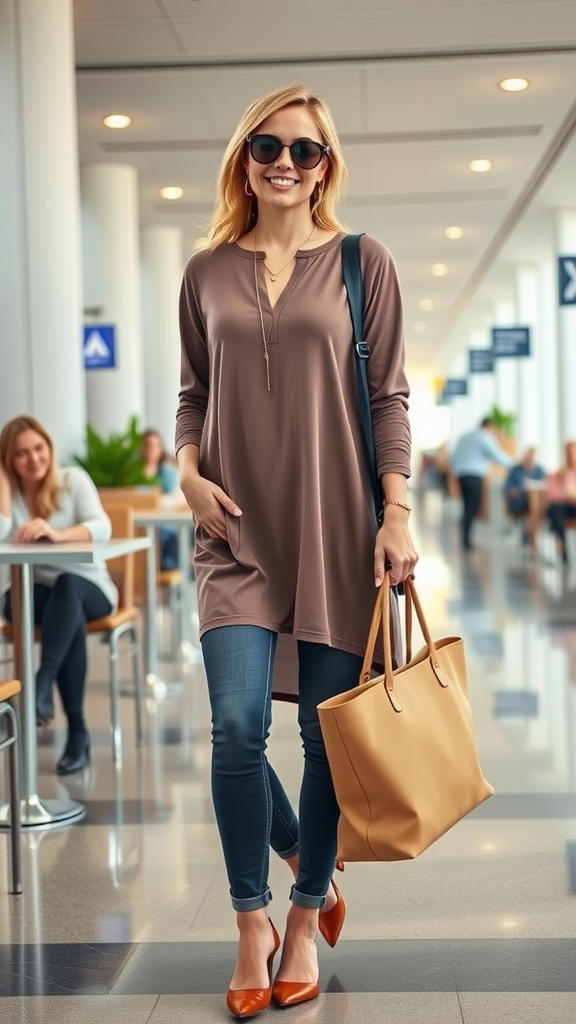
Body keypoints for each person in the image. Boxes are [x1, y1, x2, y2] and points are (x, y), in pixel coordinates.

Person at [175, 83, 417, 1017]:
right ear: (245, 158)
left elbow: (390, 399)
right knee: (237, 729)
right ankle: (252, 920)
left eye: (304, 150)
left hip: (337, 533)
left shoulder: (364, 262)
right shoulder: (205, 271)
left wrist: (395, 513)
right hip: (233, 535)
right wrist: (188, 477)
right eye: (267, 146)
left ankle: (307, 913)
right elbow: (194, 395)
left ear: (326, 165)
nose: (284, 161)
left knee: (321, 736)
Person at [0, 415, 117, 775]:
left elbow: (103, 526)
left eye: (39, 449)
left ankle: (43, 681)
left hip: (89, 587)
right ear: (8, 461)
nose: (34, 459)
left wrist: (57, 534)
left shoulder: (71, 481)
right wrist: (3, 487)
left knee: (67, 589)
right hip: (31, 595)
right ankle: (75, 730)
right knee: (63, 614)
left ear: (49, 449)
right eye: (21, 454)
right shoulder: (11, 494)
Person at [450, 417, 514, 551]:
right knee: (472, 507)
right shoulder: (484, 437)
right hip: (474, 476)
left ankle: (465, 539)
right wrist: (515, 465)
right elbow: (497, 455)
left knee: (467, 506)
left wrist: (456, 472)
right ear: (489, 426)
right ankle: (466, 541)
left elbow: (453, 456)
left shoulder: (464, 436)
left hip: (462, 476)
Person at [141, 428, 180, 570]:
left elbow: (171, 500)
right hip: (141, 526)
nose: (152, 449)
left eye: (155, 445)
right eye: (148, 445)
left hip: (164, 525)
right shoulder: (132, 473)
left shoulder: (167, 473)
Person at [504, 446, 546, 552]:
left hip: (535, 503)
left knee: (536, 507)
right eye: (527, 457)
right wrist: (519, 490)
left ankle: (530, 534)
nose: (529, 460)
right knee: (533, 508)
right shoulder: (515, 470)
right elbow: (508, 489)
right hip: (519, 502)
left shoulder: (539, 470)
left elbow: (544, 487)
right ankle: (531, 538)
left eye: (532, 458)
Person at [546, 440, 576, 564]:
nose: (571, 456)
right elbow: (552, 496)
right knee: (555, 508)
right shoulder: (558, 474)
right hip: (562, 506)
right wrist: (566, 493)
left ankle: (560, 541)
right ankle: (561, 543)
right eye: (569, 453)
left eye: (573, 453)